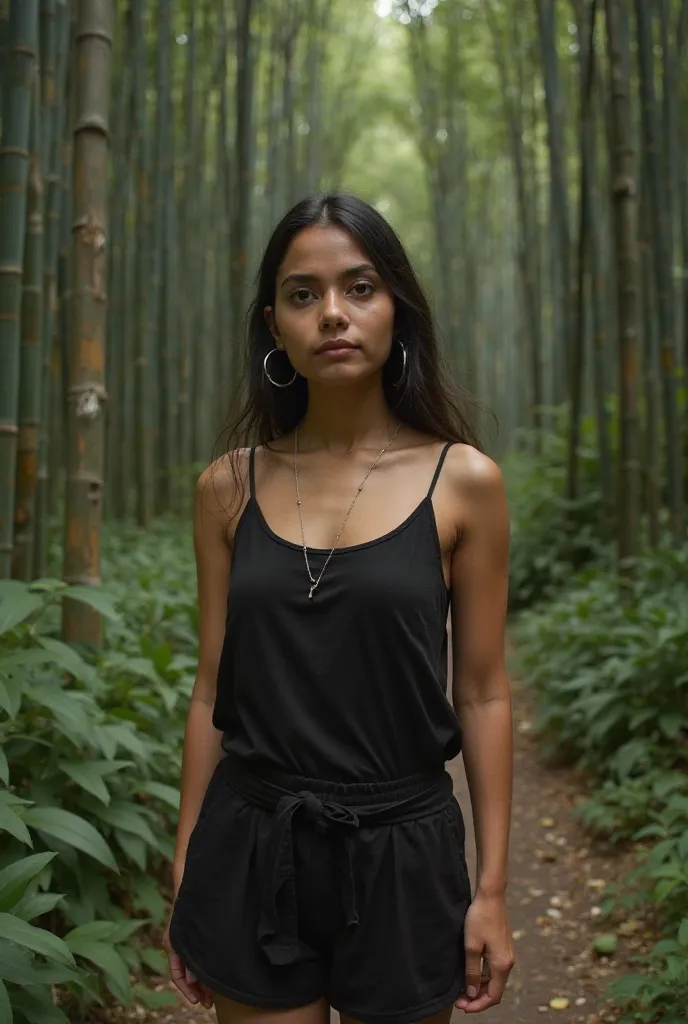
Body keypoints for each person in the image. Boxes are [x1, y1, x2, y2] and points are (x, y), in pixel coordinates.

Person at [164, 193, 515, 1023]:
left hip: (404, 847)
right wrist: (187, 866)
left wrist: (492, 889)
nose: (332, 313)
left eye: (359, 288)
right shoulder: (226, 488)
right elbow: (213, 689)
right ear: (274, 325)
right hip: (253, 842)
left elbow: (484, 692)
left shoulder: (463, 482)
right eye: (302, 293)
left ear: (398, 307)